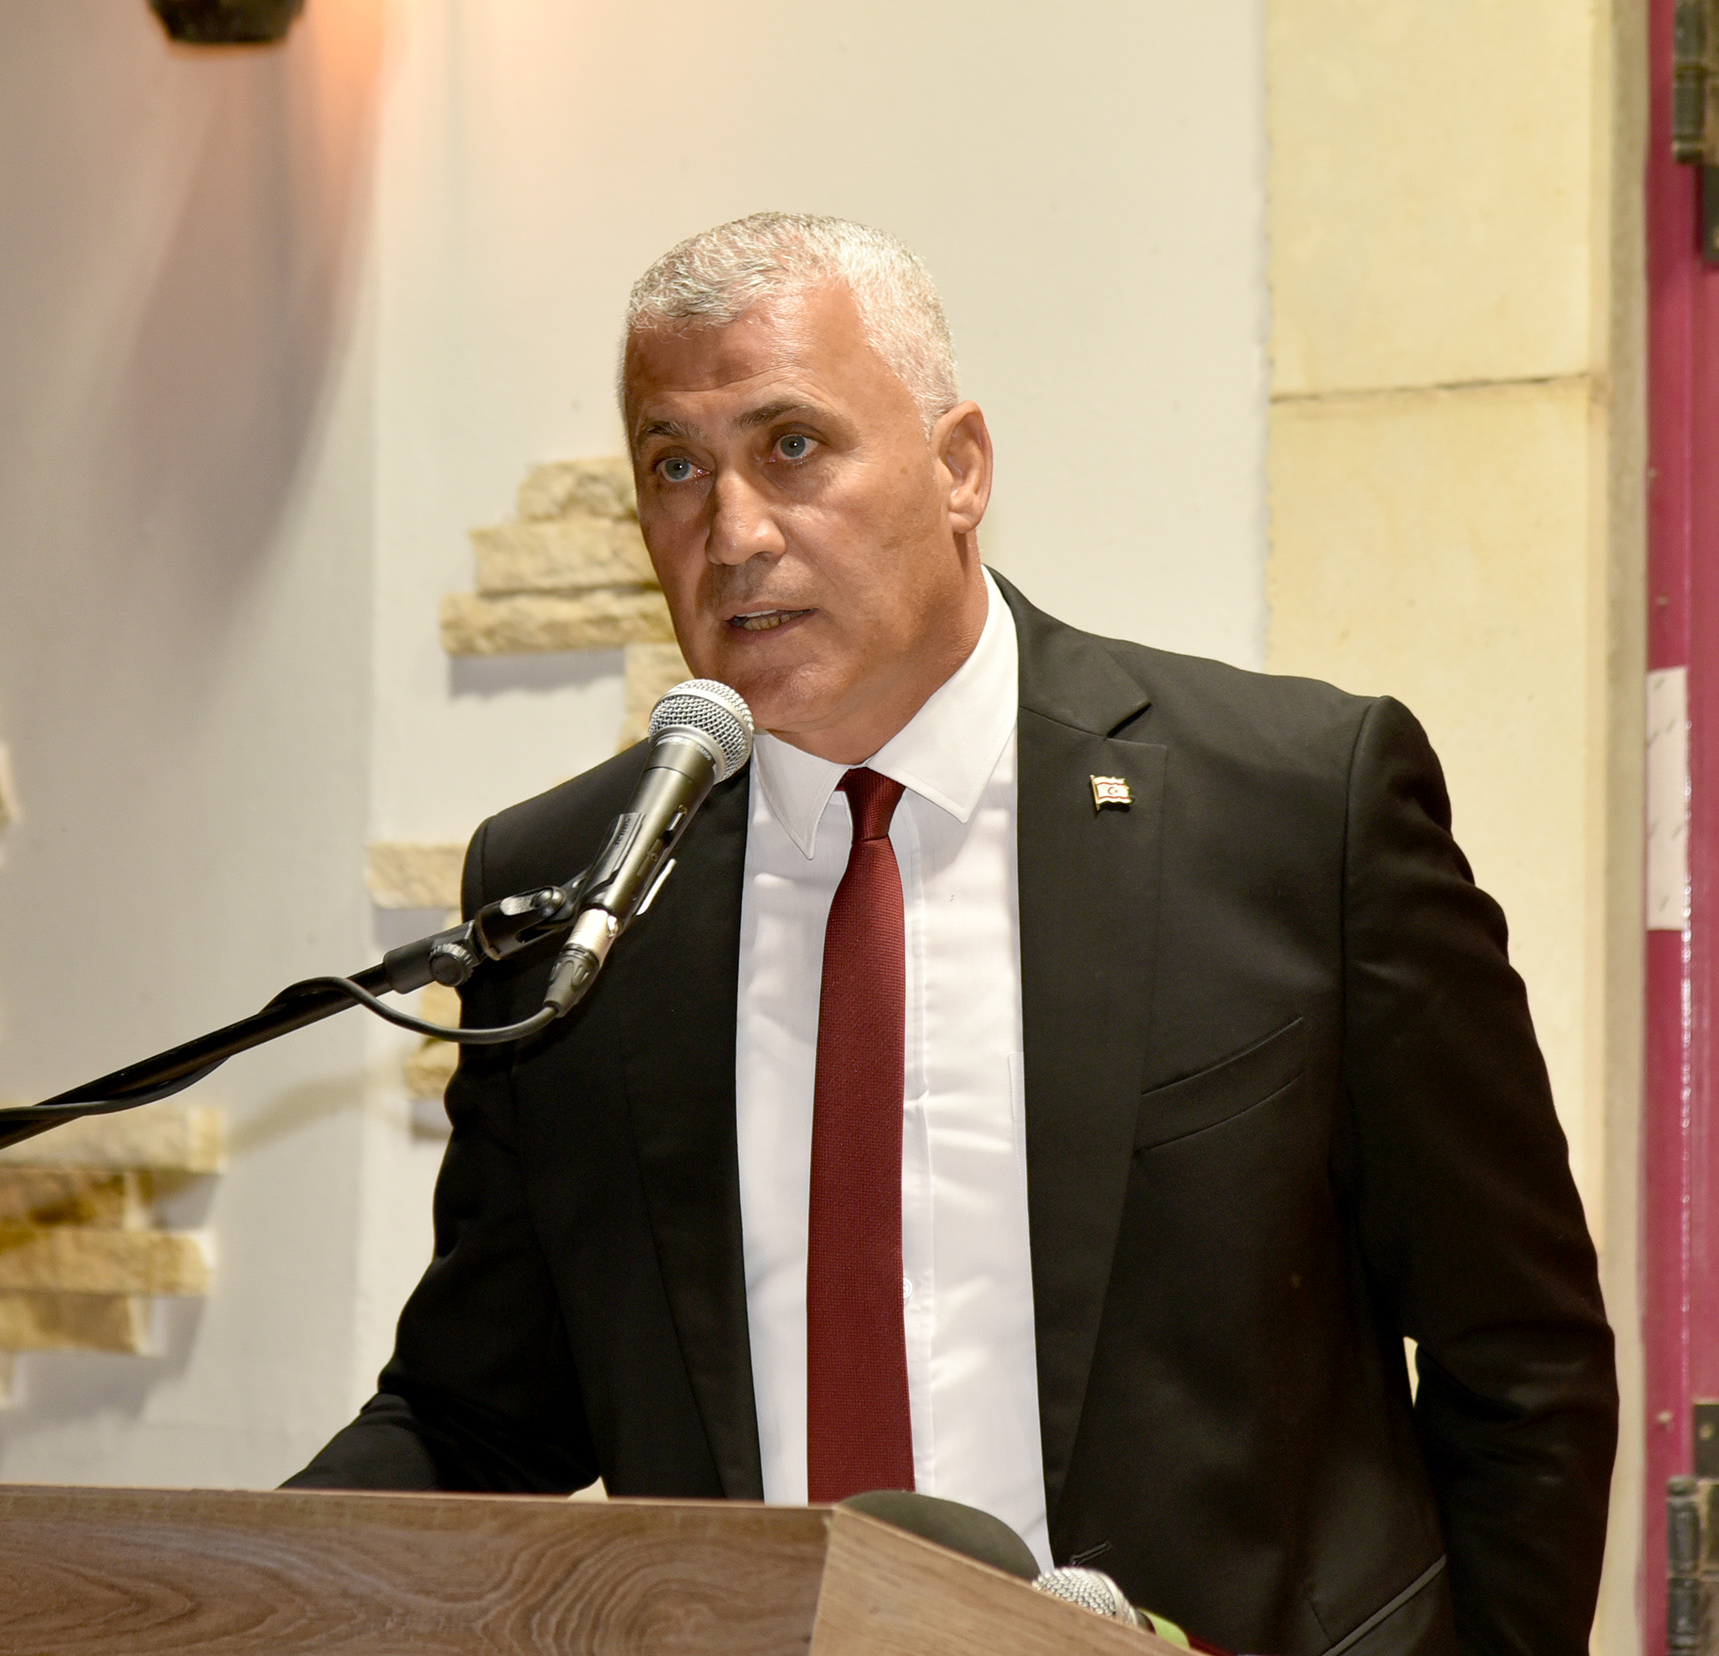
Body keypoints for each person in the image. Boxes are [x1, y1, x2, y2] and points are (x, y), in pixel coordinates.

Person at [288, 213, 1615, 1656]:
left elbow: (1519, 1355)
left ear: (960, 467)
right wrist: (191, 1577)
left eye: (792, 445)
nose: (734, 533)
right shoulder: (584, 890)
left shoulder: (1293, 809)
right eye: (676, 467)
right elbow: (481, 1411)